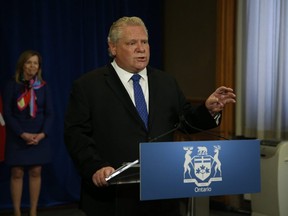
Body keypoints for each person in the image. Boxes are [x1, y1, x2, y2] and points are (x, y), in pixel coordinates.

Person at [64, 16, 236, 216]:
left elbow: (186, 123)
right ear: (112, 48)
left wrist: (209, 110)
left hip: (162, 194)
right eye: (132, 43)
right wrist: (95, 167)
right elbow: (76, 134)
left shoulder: (166, 82)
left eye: (144, 42)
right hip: (113, 196)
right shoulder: (88, 86)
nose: (141, 48)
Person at [3, 50, 53, 216]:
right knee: (16, 172)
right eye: (29, 62)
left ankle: (33, 211)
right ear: (22, 65)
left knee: (35, 171)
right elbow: (8, 113)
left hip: (38, 136)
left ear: (39, 67)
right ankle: (17, 212)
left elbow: (50, 113)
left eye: (35, 63)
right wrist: (21, 133)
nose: (32, 66)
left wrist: (42, 134)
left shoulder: (43, 87)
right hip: (17, 136)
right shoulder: (12, 85)